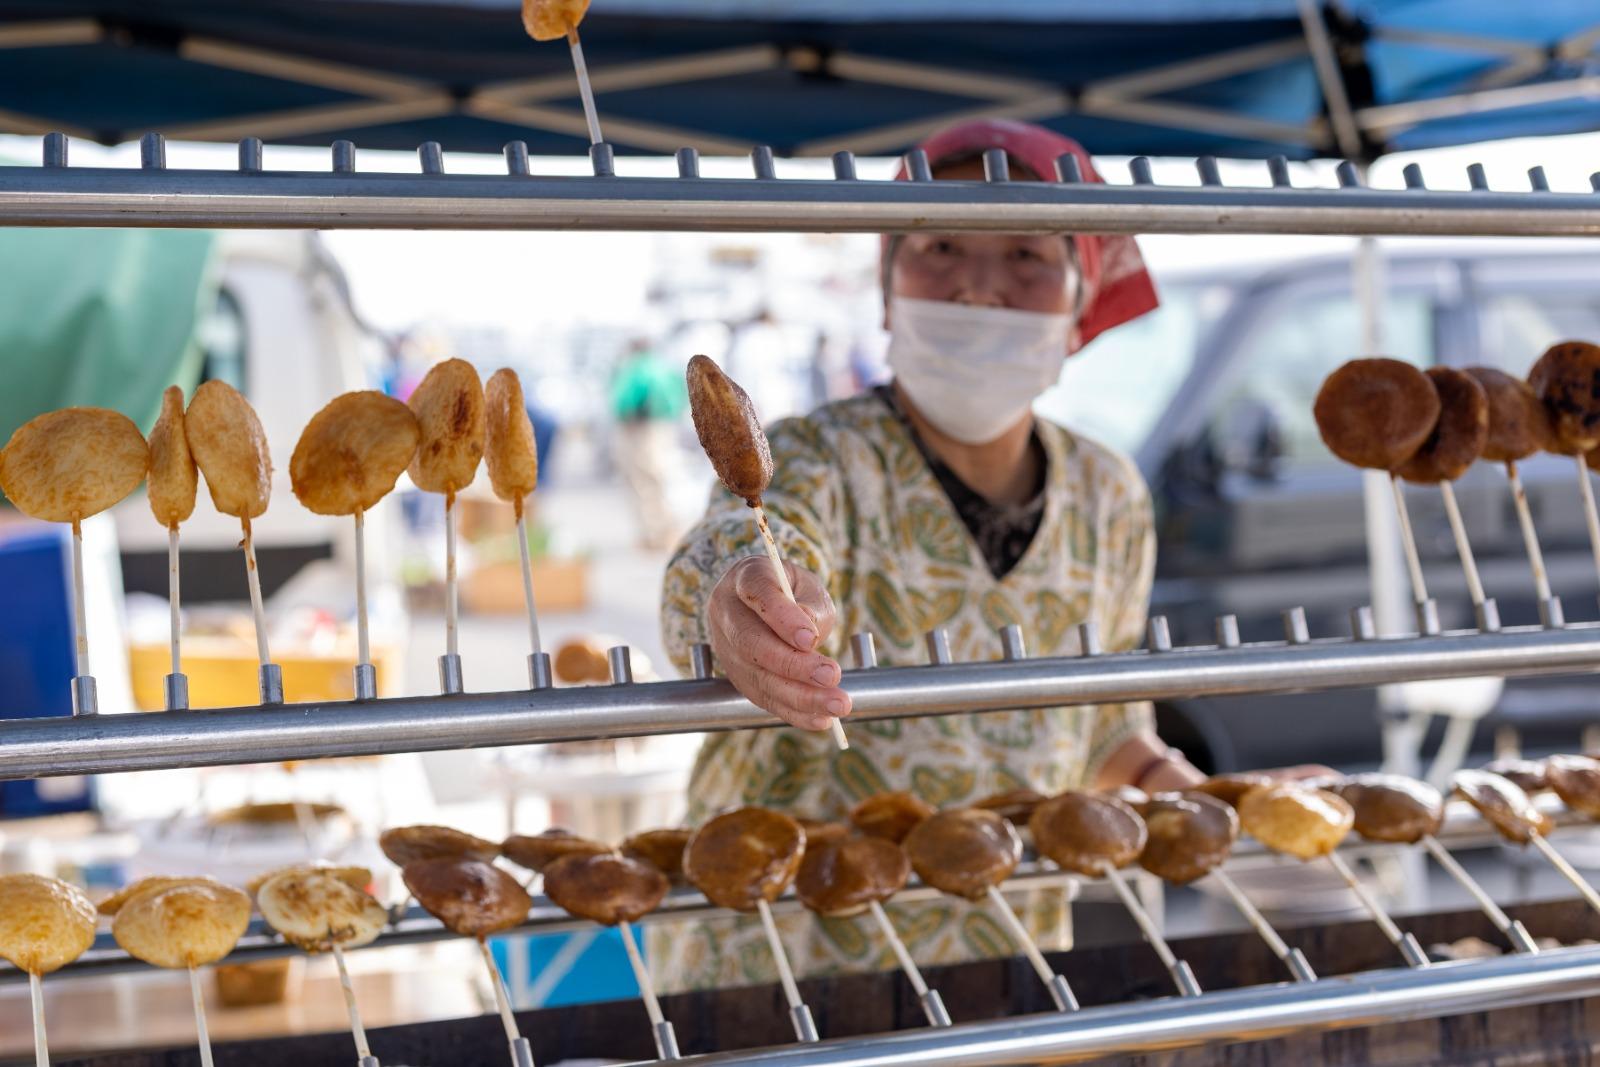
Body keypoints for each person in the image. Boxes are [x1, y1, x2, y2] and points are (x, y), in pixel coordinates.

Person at [651, 120, 1204, 991]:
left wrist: (1207, 797)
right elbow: (738, 543)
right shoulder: (815, 457)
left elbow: (1100, 725)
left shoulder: (1110, 494)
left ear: (1078, 306)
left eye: (1027, 255)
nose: (979, 289)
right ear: (885, 289)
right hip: (780, 966)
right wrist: (737, 600)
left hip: (1007, 964)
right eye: (941, 243)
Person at [609, 337, 686, 549]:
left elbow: (623, 402)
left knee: (642, 482)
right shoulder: (664, 366)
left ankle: (653, 535)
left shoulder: (634, 368)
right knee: (662, 478)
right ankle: (669, 531)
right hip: (664, 428)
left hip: (640, 431)